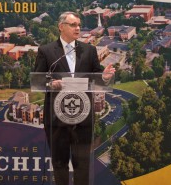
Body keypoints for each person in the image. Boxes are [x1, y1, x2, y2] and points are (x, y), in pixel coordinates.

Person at [34, 11, 115, 185]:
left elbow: (97, 77)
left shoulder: (89, 50)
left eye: (79, 24)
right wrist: (51, 84)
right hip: (56, 119)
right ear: (61, 27)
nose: (78, 28)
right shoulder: (46, 51)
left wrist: (106, 77)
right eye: (73, 25)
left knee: (82, 164)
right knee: (59, 163)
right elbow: (39, 80)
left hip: (83, 118)